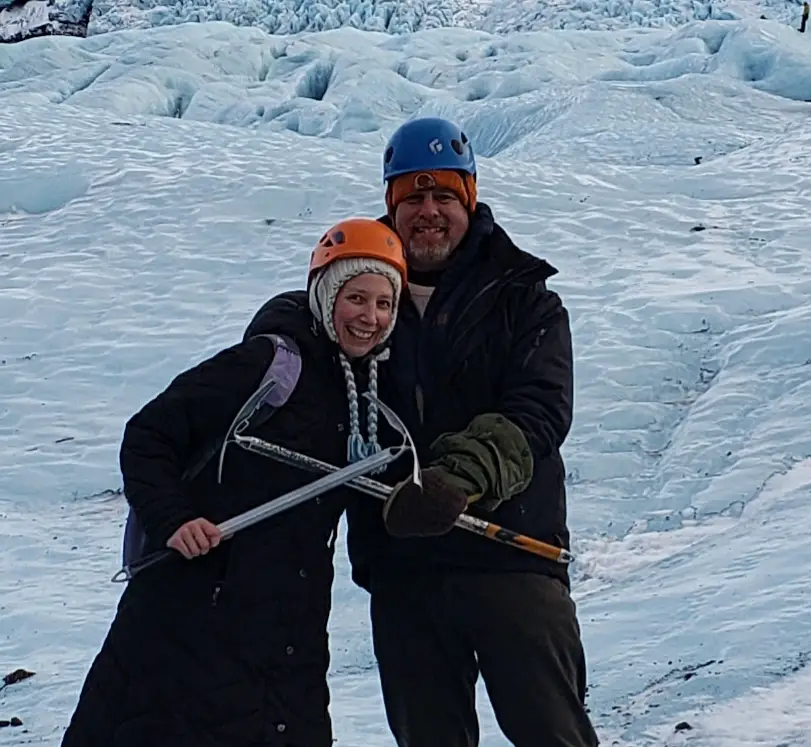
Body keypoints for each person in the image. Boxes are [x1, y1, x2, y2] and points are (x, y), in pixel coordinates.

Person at [60, 218, 407, 747]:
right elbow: (149, 436)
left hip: (289, 631)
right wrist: (172, 519)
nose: (371, 317)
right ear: (326, 295)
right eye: (356, 298)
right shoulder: (269, 364)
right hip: (194, 612)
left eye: (384, 304)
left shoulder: (365, 396)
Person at [347, 117, 601, 747]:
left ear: (470, 197)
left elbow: (540, 408)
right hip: (404, 569)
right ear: (391, 205)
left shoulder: (525, 298)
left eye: (443, 197)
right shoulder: (357, 296)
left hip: (512, 557)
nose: (428, 213)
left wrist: (458, 477)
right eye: (412, 197)